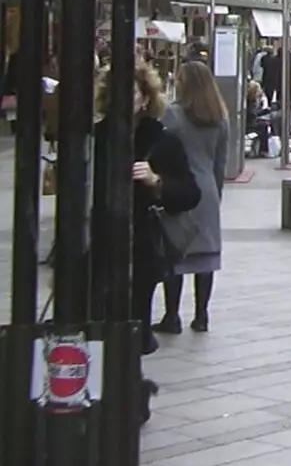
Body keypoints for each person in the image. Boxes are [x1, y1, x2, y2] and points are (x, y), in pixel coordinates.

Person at [91, 63, 201, 421]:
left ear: (145, 97)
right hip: (100, 244)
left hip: (141, 246)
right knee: (99, 321)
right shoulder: (97, 137)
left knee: (131, 321)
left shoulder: (161, 138)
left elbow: (189, 193)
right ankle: (121, 390)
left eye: (134, 92)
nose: (127, 100)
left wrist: (157, 182)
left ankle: (130, 394)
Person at [156, 60, 230, 335]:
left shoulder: (172, 115)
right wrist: (217, 193)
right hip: (207, 189)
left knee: (175, 250)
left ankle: (172, 315)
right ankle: (201, 315)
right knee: (205, 256)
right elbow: (221, 162)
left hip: (178, 185)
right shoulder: (220, 117)